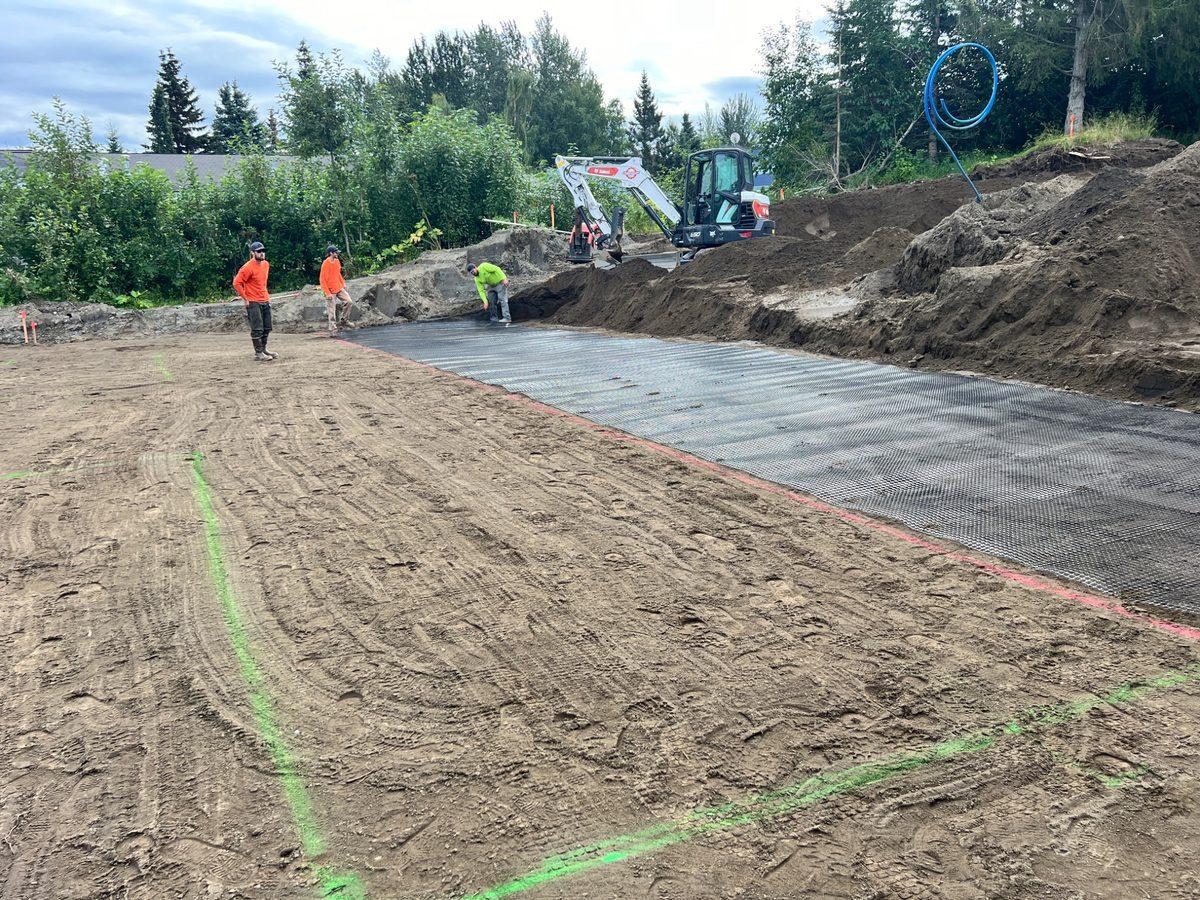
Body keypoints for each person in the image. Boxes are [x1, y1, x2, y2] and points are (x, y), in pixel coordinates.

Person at [233, 241, 275, 361]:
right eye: (259, 251)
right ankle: (258, 353)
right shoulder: (247, 268)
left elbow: (262, 283)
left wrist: (267, 296)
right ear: (252, 253)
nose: (262, 253)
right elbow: (236, 283)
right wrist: (245, 298)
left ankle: (264, 349)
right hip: (253, 301)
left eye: (263, 251)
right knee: (257, 328)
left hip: (265, 299)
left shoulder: (266, 265)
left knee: (267, 327)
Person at [319, 245, 353, 332]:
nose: (337, 254)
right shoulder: (325, 264)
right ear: (331, 253)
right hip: (330, 291)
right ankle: (333, 329)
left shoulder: (337, 261)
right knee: (331, 311)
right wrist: (327, 293)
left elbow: (338, 274)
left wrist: (343, 283)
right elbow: (322, 280)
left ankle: (344, 321)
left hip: (338, 287)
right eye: (336, 252)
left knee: (349, 302)